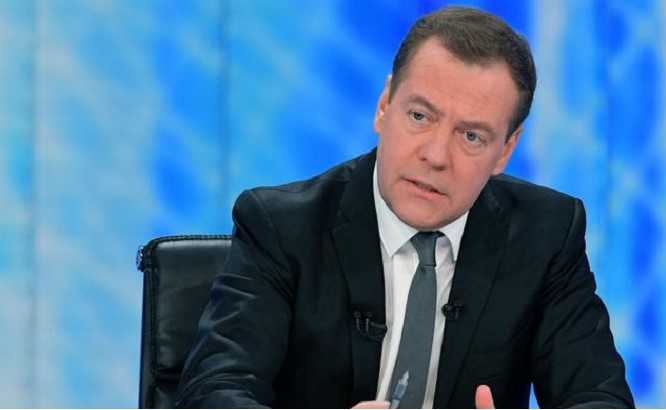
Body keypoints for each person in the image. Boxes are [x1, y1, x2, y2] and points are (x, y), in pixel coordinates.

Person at [175, 6, 634, 409]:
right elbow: (214, 391)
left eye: (472, 136)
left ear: (506, 150)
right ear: (384, 106)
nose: (435, 155)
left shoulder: (545, 234)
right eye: (420, 116)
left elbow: (598, 396)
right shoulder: (282, 227)